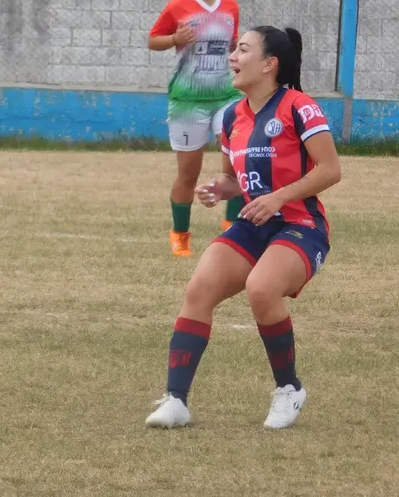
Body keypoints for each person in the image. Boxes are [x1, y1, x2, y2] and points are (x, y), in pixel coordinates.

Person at [144, 25, 342, 430]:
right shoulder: (232, 115)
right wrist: (218, 189)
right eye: (234, 50)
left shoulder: (299, 107)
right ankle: (176, 401)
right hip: (254, 223)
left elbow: (331, 170)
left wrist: (279, 197)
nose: (232, 56)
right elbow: (234, 179)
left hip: (301, 224)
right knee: (199, 289)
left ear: (270, 64)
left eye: (243, 50)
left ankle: (289, 390)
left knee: (261, 288)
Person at [147, 0, 243, 258]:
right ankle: (180, 235)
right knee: (189, 173)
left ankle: (234, 226)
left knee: (237, 165)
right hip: (188, 101)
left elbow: (234, 45)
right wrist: (175, 39)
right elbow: (153, 40)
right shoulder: (178, 6)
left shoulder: (230, 7)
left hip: (226, 98)